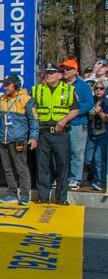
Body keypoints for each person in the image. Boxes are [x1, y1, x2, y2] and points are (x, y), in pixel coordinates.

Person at [0, 75, 37, 205]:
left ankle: (25, 195)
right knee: (8, 169)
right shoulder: (3, 98)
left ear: (16, 85)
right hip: (3, 139)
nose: (4, 87)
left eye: (7, 85)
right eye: (4, 84)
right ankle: (12, 193)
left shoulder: (26, 99)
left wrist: (33, 137)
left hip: (18, 139)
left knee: (21, 168)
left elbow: (34, 120)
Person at [31, 64, 78, 204]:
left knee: (62, 165)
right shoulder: (37, 90)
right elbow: (32, 108)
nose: (48, 75)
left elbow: (75, 109)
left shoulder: (68, 90)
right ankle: (43, 196)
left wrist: (64, 120)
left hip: (61, 132)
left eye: (52, 73)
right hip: (43, 132)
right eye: (47, 72)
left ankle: (61, 198)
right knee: (42, 165)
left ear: (59, 75)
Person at [61, 57, 94, 190]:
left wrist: (74, 112)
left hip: (78, 123)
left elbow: (89, 103)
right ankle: (63, 177)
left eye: (68, 69)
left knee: (77, 152)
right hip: (62, 124)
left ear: (75, 71)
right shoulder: (61, 84)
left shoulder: (83, 85)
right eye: (64, 68)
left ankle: (75, 178)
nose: (65, 71)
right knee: (63, 152)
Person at [87, 81, 108, 192]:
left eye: (101, 88)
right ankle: (95, 178)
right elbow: (89, 116)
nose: (99, 91)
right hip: (92, 134)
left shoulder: (106, 101)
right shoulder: (91, 101)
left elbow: (106, 118)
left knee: (99, 159)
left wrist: (99, 112)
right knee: (88, 159)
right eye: (97, 89)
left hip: (103, 134)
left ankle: (101, 182)